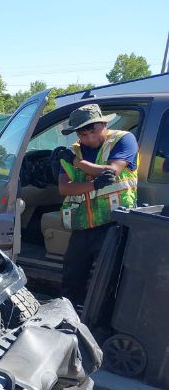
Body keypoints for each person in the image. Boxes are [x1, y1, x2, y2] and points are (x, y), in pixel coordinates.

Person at [56, 104, 138, 306]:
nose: (89, 138)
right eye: (83, 134)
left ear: (104, 124)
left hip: (114, 224)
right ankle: (69, 321)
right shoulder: (73, 151)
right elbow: (65, 188)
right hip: (83, 225)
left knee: (108, 281)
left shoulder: (123, 139)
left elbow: (110, 171)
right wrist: (92, 184)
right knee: (72, 278)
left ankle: (101, 329)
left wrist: (77, 163)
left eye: (93, 131)